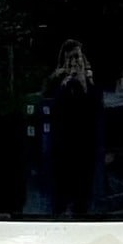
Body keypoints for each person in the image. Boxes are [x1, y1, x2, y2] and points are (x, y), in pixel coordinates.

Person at [43, 38, 102, 215]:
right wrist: (66, 81)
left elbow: (96, 110)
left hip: (85, 156)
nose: (76, 62)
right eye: (71, 58)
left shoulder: (89, 84)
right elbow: (51, 106)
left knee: (82, 205)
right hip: (63, 156)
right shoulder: (57, 83)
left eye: (78, 57)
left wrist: (85, 83)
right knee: (60, 206)